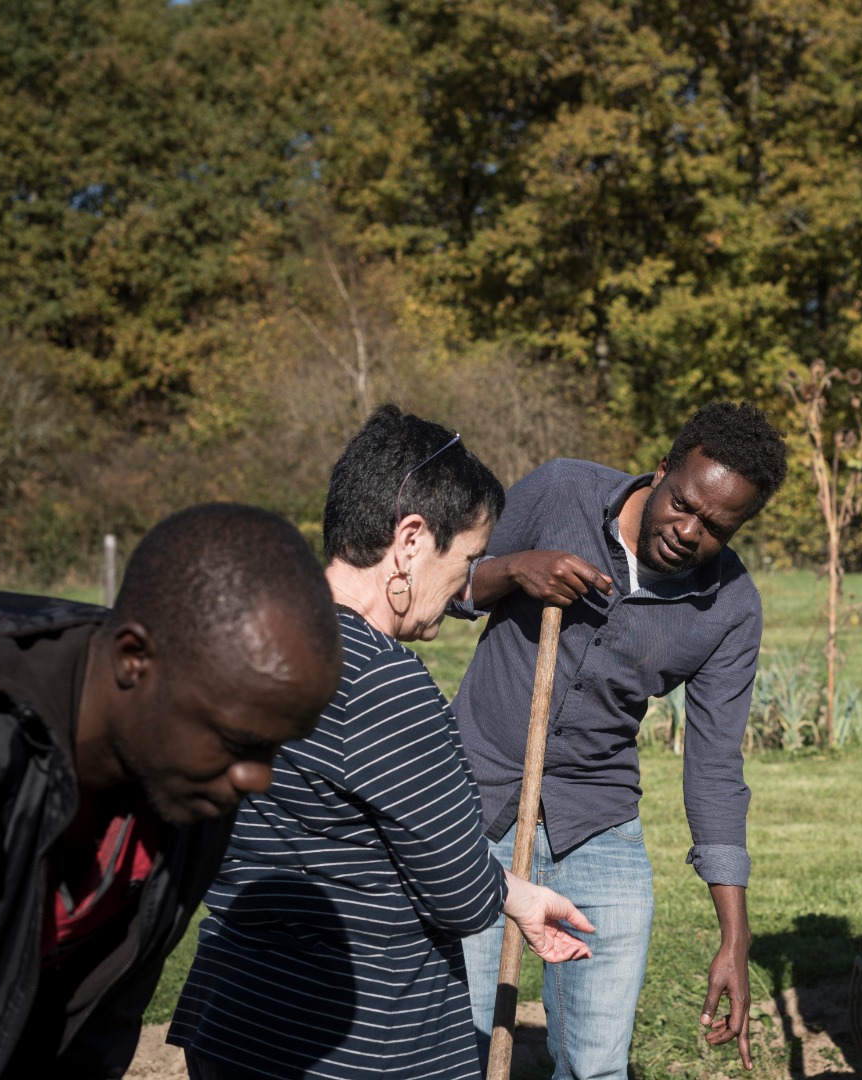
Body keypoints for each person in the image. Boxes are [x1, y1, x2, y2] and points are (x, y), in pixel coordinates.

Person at [168, 407, 594, 1080]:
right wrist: (495, 895)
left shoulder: (244, 644)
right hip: (361, 1042)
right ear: (410, 539)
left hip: (233, 1020)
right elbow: (455, 893)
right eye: (467, 559)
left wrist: (516, 895)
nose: (464, 583)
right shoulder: (381, 682)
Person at [0, 503, 345, 1080]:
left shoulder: (187, 787)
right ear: (134, 659)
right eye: (240, 741)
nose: (257, 779)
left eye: (276, 748)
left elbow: (99, 1026)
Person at [452, 402, 789, 1078]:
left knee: (597, 1065)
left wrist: (733, 933)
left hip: (597, 823)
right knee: (452, 1051)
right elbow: (445, 589)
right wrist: (515, 568)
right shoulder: (560, 492)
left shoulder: (729, 607)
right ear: (662, 469)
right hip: (468, 803)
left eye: (717, 527)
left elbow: (715, 767)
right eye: (683, 504)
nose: (688, 532)